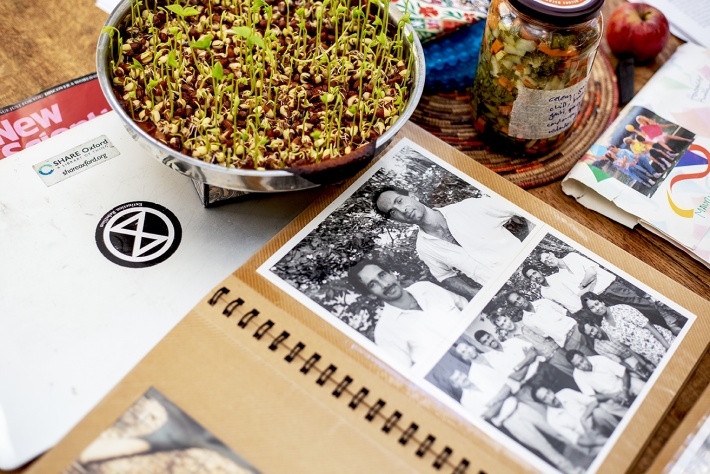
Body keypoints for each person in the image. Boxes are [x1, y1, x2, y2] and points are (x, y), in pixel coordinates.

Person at [373, 186, 531, 298]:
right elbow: (444, 275)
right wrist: (476, 294)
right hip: (507, 293)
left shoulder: (468, 207)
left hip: (530, 265)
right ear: (395, 219)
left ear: (412, 195)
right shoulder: (424, 248)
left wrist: (533, 244)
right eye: (393, 212)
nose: (402, 210)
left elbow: (519, 206)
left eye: (399, 201)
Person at [348, 258, 466, 369]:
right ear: (370, 294)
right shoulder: (384, 333)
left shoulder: (426, 288)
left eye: (382, 275)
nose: (384, 284)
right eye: (373, 284)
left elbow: (466, 307)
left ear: (392, 274)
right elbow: (409, 375)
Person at [539, 251, 669, 329]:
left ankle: (666, 328)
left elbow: (591, 271)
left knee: (644, 306)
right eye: (546, 262)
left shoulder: (572, 256)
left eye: (548, 257)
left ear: (552, 254)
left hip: (612, 288)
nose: (548, 261)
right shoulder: (561, 276)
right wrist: (590, 282)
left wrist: (583, 283)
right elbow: (580, 293)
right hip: (602, 300)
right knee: (628, 319)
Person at [580, 292, 675, 366]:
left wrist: (668, 347)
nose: (597, 308)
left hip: (663, 343)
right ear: (590, 311)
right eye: (592, 307)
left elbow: (649, 326)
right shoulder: (605, 325)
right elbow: (627, 346)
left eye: (597, 304)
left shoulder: (621, 309)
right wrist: (644, 363)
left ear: (602, 302)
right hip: (652, 356)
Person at [491, 310, 579, 389]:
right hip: (548, 361)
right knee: (572, 379)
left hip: (558, 348)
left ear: (507, 317)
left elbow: (546, 331)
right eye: (502, 325)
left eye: (505, 320)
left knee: (579, 365)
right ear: (501, 328)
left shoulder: (526, 322)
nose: (506, 324)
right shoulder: (511, 342)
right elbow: (527, 355)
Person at [566, 349, 645, 429]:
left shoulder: (600, 359)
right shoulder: (577, 374)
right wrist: (611, 396)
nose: (582, 366)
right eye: (578, 365)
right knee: (605, 407)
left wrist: (625, 390)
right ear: (574, 366)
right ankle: (636, 422)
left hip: (622, 384)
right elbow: (591, 396)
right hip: (608, 396)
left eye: (582, 361)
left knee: (640, 386)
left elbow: (623, 373)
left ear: (585, 356)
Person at [505, 290, 596, 356]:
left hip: (578, 329)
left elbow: (565, 312)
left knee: (604, 348)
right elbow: (545, 335)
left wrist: (583, 326)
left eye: (519, 298)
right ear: (515, 306)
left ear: (523, 296)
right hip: (568, 343)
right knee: (593, 361)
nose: (519, 302)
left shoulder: (543, 302)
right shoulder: (526, 320)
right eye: (516, 303)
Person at [531, 385, 609, 454]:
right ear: (543, 403)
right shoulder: (552, 419)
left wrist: (584, 417)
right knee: (606, 451)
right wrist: (600, 441)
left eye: (548, 393)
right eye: (545, 398)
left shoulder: (566, 393)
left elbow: (593, 402)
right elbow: (578, 440)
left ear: (550, 390)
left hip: (595, 422)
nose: (550, 398)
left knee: (599, 413)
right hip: (588, 439)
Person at [579, 322, 655, 379]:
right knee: (638, 375)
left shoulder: (608, 325)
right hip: (628, 357)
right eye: (590, 334)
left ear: (595, 325)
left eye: (592, 330)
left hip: (637, 346)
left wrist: (643, 361)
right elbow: (619, 361)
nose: (593, 334)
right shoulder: (598, 347)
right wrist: (636, 370)